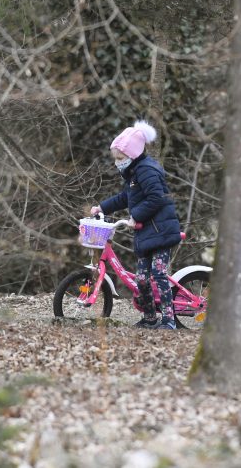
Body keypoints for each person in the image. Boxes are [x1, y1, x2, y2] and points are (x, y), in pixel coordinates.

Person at [90, 121, 182, 330]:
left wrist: (136, 216)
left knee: (158, 274)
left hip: (161, 230)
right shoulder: (133, 174)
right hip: (146, 233)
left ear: (132, 155)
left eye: (120, 158)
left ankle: (169, 320)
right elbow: (126, 197)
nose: (117, 163)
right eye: (116, 159)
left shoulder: (147, 171)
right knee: (141, 279)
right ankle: (150, 317)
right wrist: (102, 208)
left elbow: (156, 198)